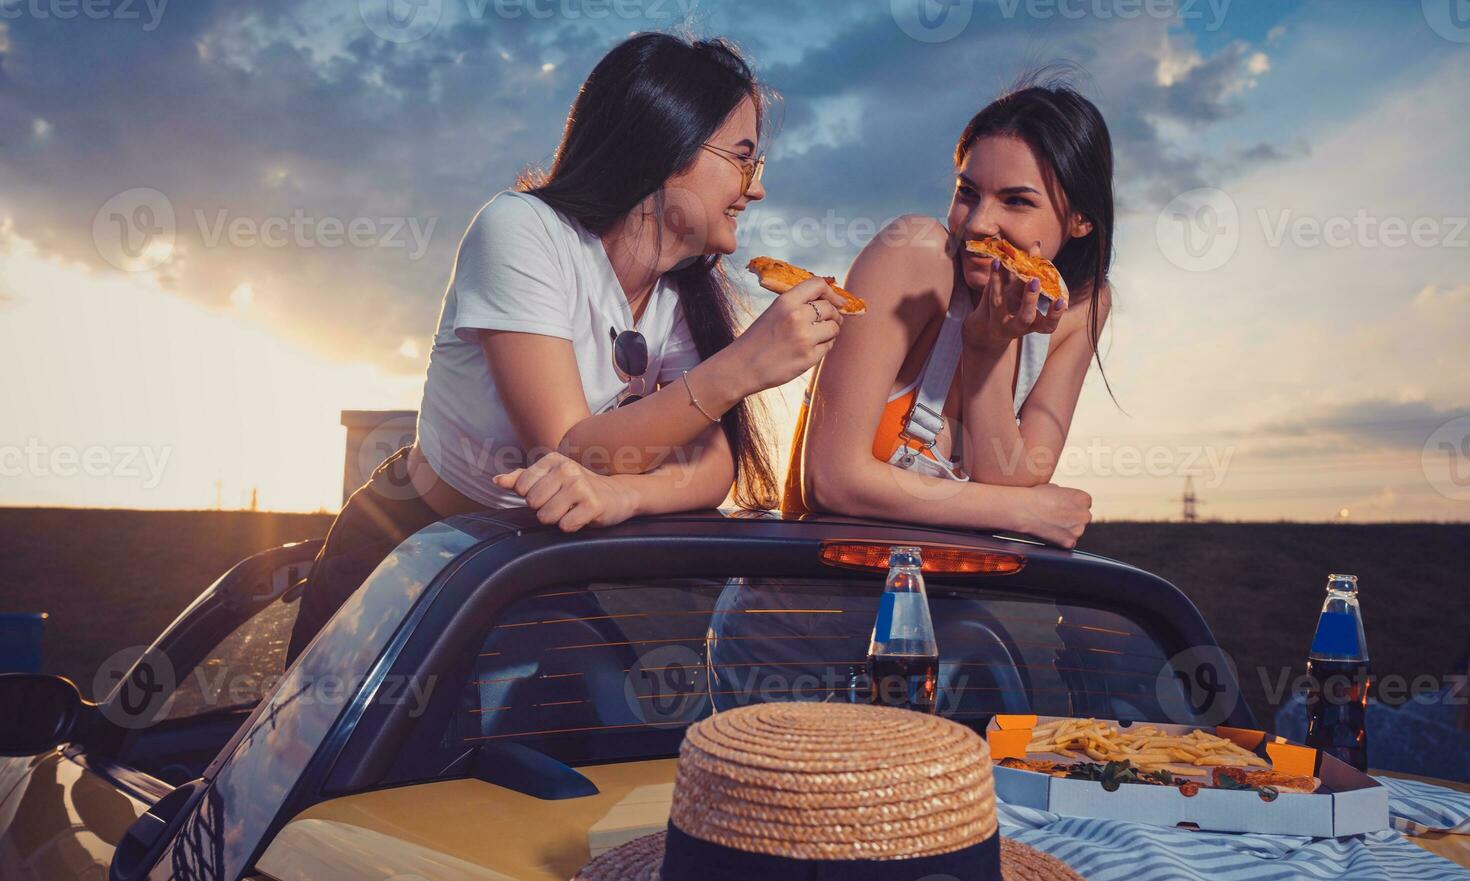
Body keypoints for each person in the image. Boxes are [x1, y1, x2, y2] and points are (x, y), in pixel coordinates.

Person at [285, 33, 847, 663]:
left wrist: (621, 496)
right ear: (668, 143)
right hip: (414, 553)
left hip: (537, 565)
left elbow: (711, 469)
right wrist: (745, 366)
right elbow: (567, 446)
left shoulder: (682, 287)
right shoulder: (520, 230)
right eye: (744, 159)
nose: (755, 188)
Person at [782, 78, 1116, 550]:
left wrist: (987, 347)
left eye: (1016, 201)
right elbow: (830, 481)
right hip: (808, 612)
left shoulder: (1083, 307)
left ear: (1081, 219)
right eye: (967, 192)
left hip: (938, 614)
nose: (978, 223)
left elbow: (1004, 475)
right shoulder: (916, 256)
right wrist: (1023, 511)